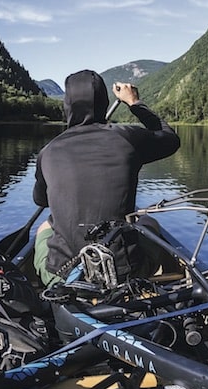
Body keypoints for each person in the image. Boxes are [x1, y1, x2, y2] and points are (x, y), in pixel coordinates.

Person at [32, 69, 180, 286]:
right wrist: (134, 103)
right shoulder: (127, 138)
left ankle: (47, 294)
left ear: (67, 106)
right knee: (149, 222)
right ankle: (172, 287)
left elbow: (40, 201)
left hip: (63, 275)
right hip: (124, 273)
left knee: (45, 228)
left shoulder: (48, 151)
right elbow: (170, 139)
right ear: (103, 102)